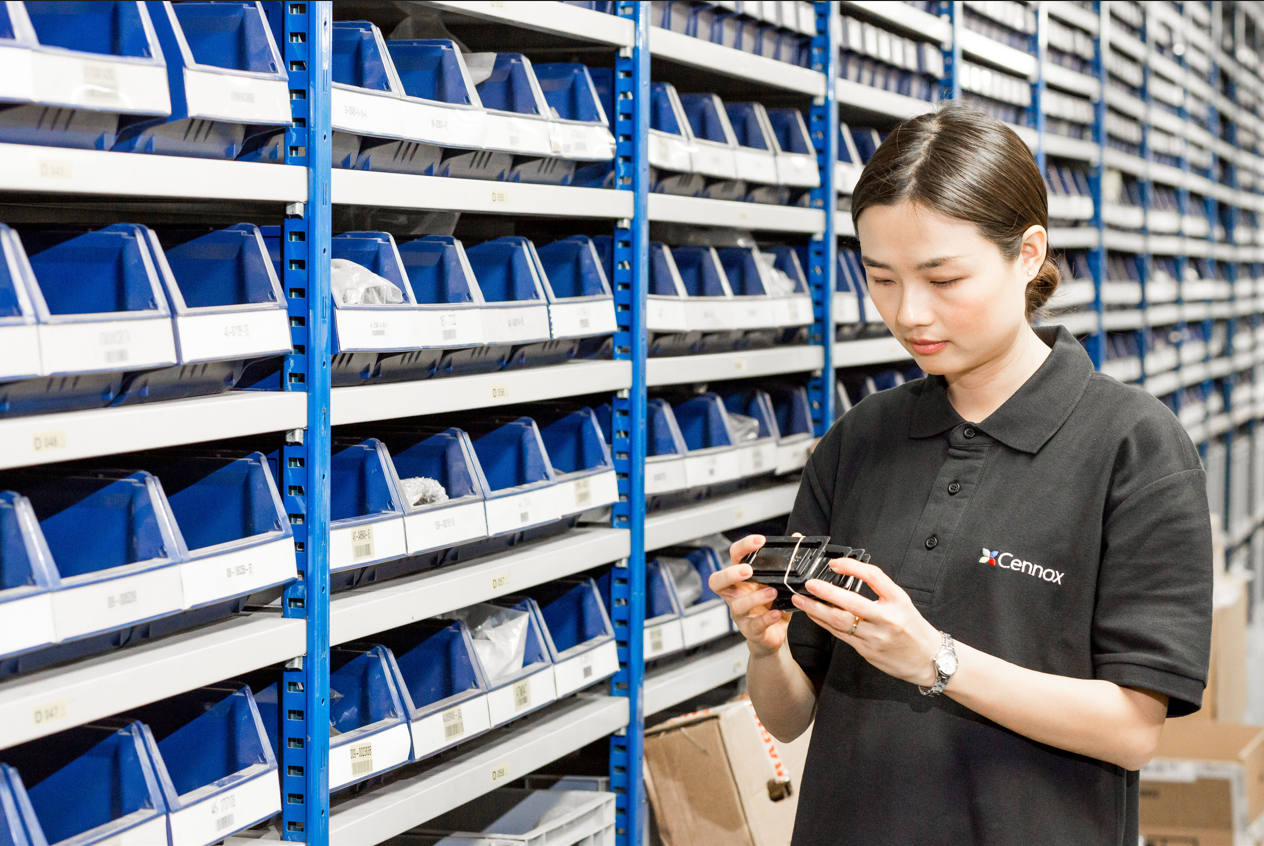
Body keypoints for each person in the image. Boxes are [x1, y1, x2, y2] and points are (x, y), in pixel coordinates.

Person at [710, 104, 1213, 846]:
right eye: (881, 278)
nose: (910, 312)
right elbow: (789, 715)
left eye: (944, 278)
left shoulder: (1133, 446)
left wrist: (934, 660)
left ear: (1028, 253)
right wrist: (766, 645)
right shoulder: (861, 439)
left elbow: (1133, 732)